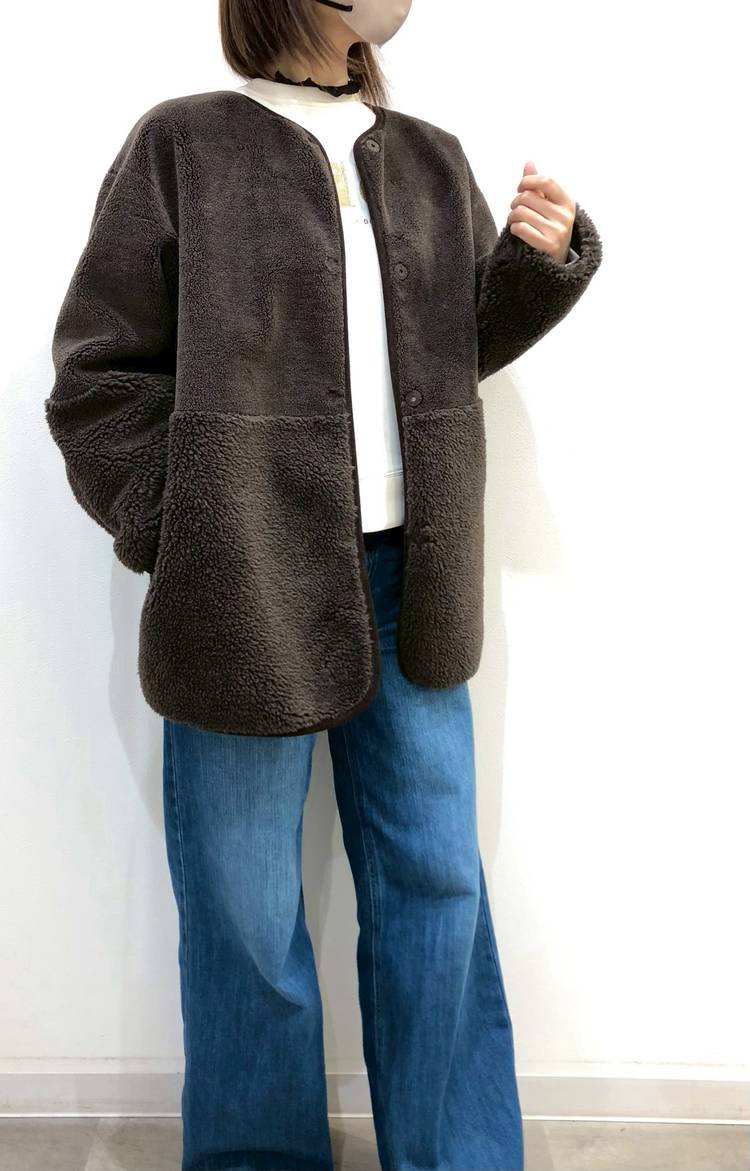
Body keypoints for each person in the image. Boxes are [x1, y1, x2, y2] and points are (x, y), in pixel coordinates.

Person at [44, 2, 603, 1168]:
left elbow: (452, 350)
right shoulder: (183, 144)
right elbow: (97, 375)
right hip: (236, 581)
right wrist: (181, 525)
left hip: (414, 579)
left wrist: (533, 265)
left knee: (437, 885)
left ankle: (454, 1154)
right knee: (244, 912)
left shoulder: (429, 157)